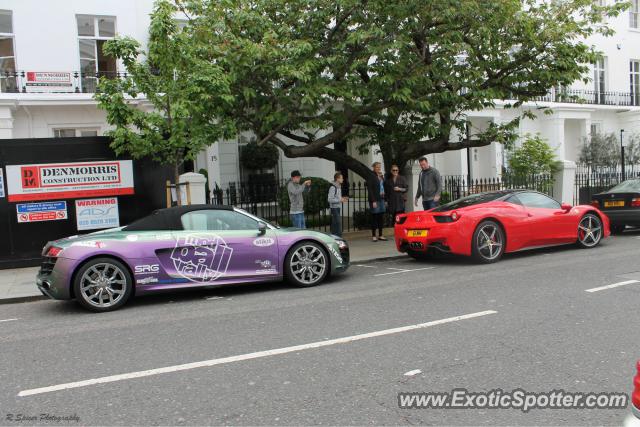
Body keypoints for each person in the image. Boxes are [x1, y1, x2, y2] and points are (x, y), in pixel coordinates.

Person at [367, 162, 387, 242]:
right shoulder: (371, 176)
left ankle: (381, 235)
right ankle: (374, 236)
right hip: (375, 200)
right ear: (374, 167)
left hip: (381, 199)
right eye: (377, 167)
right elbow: (370, 189)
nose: (378, 168)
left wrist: (385, 200)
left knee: (381, 218)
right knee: (374, 217)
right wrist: (373, 201)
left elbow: (383, 187)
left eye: (379, 167)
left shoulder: (381, 176)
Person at [328, 172, 348, 237]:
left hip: (337, 207)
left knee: (335, 224)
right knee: (338, 224)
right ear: (337, 179)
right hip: (334, 208)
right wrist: (340, 200)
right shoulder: (333, 187)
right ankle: (339, 238)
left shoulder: (338, 187)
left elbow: (337, 197)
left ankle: (334, 238)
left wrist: (342, 198)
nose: (343, 179)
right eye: (341, 178)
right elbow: (330, 199)